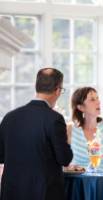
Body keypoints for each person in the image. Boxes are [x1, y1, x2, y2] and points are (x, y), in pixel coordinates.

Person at [0, 68, 73, 200]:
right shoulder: (54, 119)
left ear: (37, 87)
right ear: (57, 90)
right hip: (44, 193)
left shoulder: (10, 117)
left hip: (12, 192)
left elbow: (0, 156)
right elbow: (65, 159)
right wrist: (67, 136)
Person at [67, 86, 103, 171]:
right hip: (79, 180)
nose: (98, 102)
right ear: (80, 107)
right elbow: (60, 156)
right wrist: (68, 167)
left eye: (97, 98)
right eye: (92, 99)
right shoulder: (70, 129)